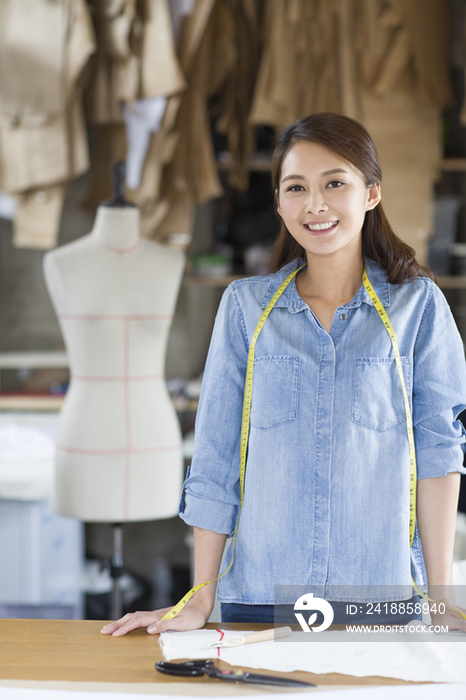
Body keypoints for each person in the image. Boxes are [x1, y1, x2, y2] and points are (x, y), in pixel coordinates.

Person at [102, 112, 466, 637]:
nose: (315, 204)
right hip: (260, 600)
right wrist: (199, 601)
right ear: (278, 202)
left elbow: (437, 456)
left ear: (371, 193)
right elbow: (215, 458)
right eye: (296, 187)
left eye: (335, 183)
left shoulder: (418, 308)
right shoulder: (245, 310)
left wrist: (439, 598)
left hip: (381, 603)